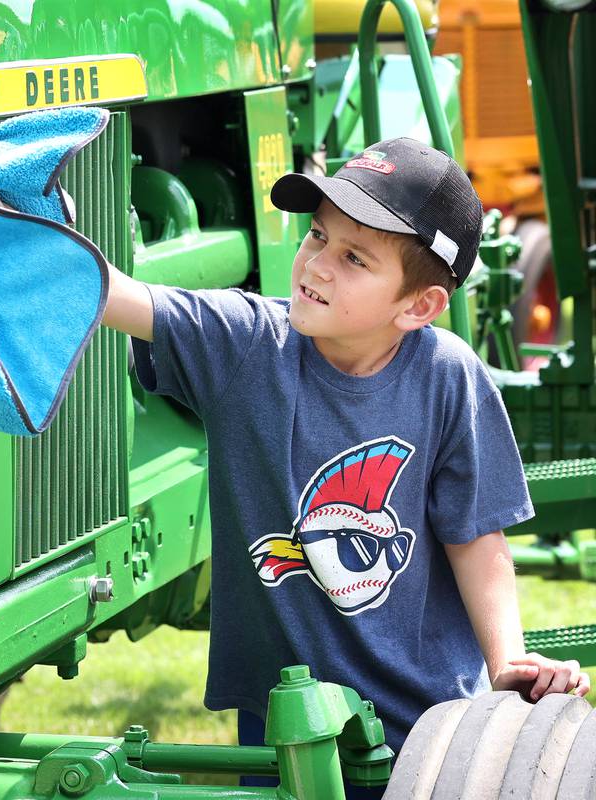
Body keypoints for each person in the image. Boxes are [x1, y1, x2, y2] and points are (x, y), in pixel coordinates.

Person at [101, 137, 590, 798]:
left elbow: (476, 540)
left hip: (430, 729)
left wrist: (506, 660)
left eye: (354, 257)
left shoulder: (448, 380)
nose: (317, 266)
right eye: (317, 237)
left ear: (417, 306)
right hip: (287, 719)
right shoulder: (247, 348)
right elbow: (117, 297)